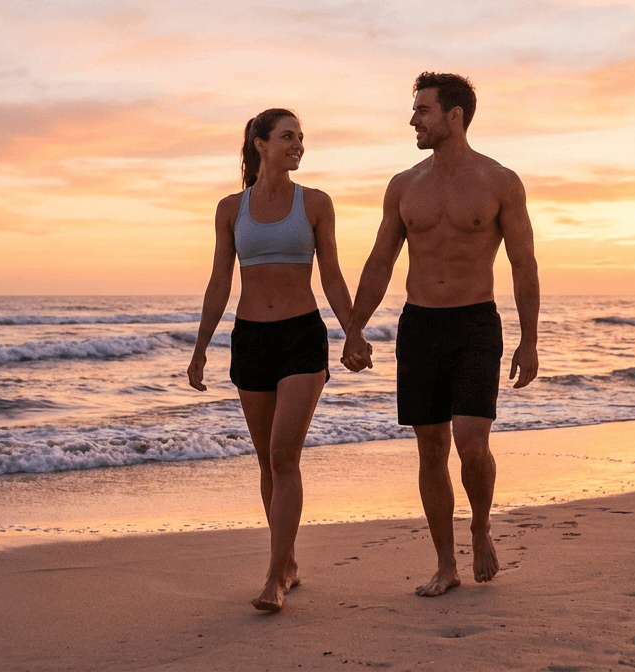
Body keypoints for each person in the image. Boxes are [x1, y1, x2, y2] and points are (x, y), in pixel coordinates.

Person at [341, 72, 540, 597]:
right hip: (421, 325)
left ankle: (480, 527)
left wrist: (530, 339)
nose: (413, 120)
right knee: (431, 448)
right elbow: (380, 260)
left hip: (476, 323)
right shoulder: (404, 186)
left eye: (423, 110)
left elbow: (523, 263)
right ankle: (444, 563)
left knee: (472, 443)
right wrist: (354, 327)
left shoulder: (500, 181)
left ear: (455, 116)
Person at [187, 108, 358, 612]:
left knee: (284, 455)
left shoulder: (316, 204)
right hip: (251, 339)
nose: (298, 144)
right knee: (266, 460)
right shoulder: (229, 208)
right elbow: (220, 281)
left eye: (301, 137)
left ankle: (273, 578)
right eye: (288, 136)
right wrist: (200, 348)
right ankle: (287, 561)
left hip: (302, 337)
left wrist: (354, 333)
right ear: (260, 144)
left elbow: (332, 275)